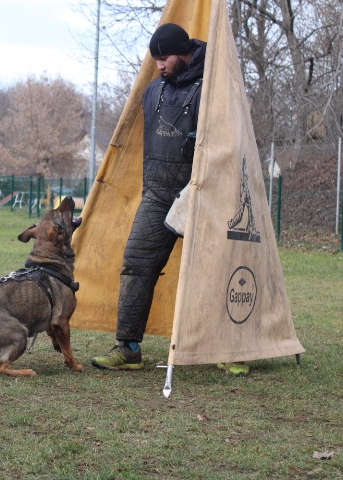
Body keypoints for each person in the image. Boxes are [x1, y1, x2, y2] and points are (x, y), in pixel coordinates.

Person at [91, 23, 206, 370]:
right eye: (155, 59)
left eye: (164, 58)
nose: (159, 65)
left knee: (213, 271)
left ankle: (227, 350)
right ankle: (128, 348)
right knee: (136, 263)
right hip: (156, 195)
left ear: (184, 52)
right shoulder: (152, 91)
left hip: (200, 194)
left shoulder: (212, 88)